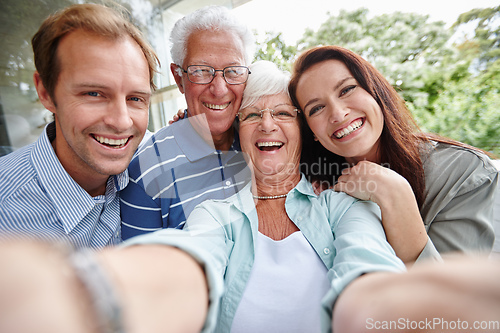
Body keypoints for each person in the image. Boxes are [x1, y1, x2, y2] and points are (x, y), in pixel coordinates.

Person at [124, 60, 406, 332]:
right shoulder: (214, 215)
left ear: (303, 131)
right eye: (252, 115)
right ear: (239, 132)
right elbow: (194, 257)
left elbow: (369, 267)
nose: (267, 125)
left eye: (283, 113)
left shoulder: (343, 207)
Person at [288, 45, 499, 264]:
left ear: (375, 92)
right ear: (310, 131)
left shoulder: (463, 173)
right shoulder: (311, 187)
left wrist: (394, 194)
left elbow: (454, 295)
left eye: (346, 89)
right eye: (316, 109)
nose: (338, 114)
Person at [0, 3, 159, 249]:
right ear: (45, 92)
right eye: (94, 93)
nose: (121, 122)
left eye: (135, 98)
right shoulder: (6, 211)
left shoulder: (155, 161)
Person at [120, 5, 255, 239]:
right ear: (178, 77)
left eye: (233, 71)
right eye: (201, 71)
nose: (219, 89)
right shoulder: (146, 171)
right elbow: (145, 271)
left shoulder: (261, 142)